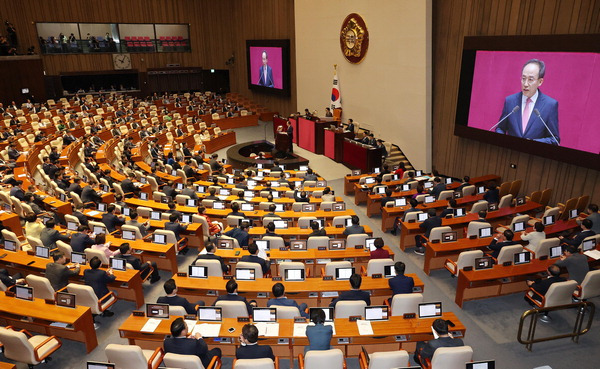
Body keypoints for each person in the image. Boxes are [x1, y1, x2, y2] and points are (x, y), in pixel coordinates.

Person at [495, 59, 560, 145]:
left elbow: (554, 139)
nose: (525, 84)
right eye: (523, 78)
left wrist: (533, 143)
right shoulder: (510, 101)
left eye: (530, 80)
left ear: (540, 82)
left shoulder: (550, 105)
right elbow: (500, 128)